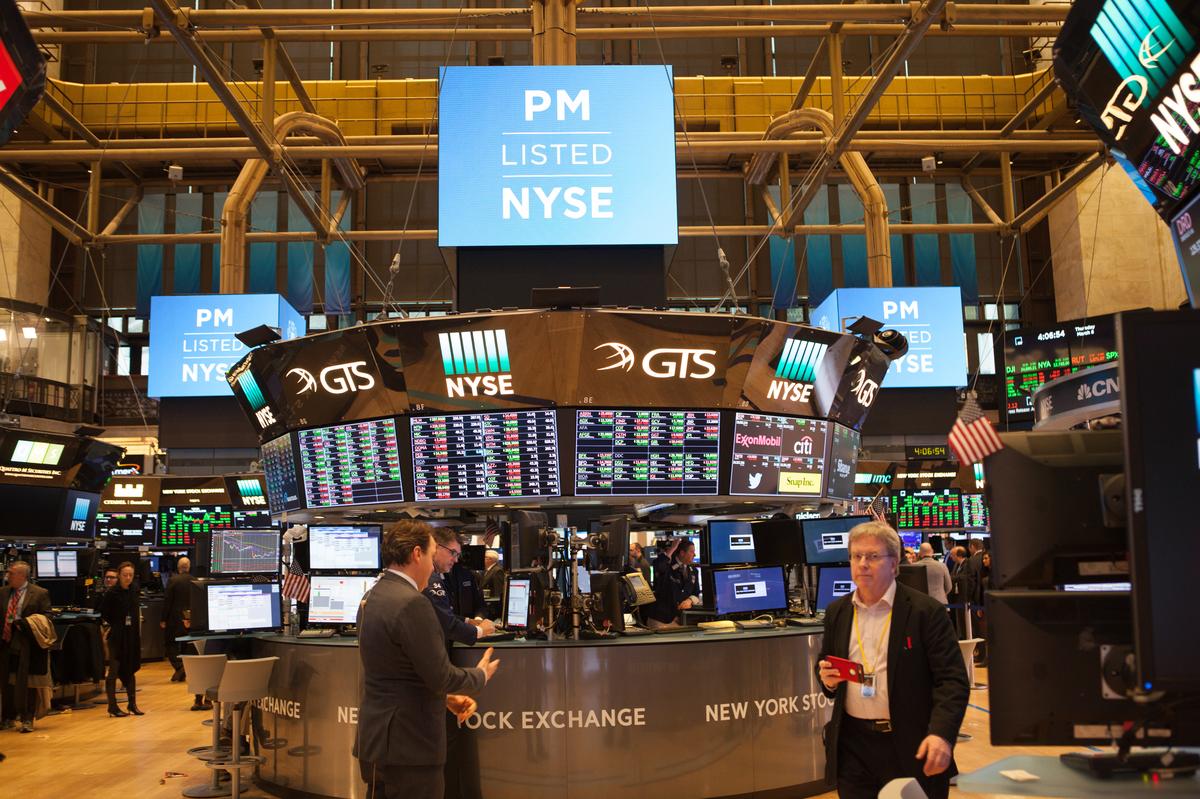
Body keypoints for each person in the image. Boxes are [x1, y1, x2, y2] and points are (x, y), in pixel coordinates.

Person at [816, 521, 969, 799]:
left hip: (911, 744)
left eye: (873, 556)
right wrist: (827, 680)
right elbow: (825, 663)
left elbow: (952, 681)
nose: (862, 564)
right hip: (853, 746)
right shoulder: (838, 611)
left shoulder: (926, 612)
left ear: (894, 563)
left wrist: (941, 734)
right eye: (856, 556)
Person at [355, 521, 500, 799]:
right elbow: (440, 675)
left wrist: (445, 698)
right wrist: (479, 676)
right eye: (432, 555)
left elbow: (397, 671)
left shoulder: (370, 597)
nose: (434, 567)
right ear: (417, 554)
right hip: (410, 745)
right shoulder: (413, 603)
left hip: (375, 741)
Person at [1, 561, 51, 733]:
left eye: (11, 573)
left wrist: (26, 623)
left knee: (28, 683)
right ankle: (7, 717)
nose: (8, 576)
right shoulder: (3, 592)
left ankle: (27, 718)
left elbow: (47, 617)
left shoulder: (39, 593)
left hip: (27, 644)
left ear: (22, 575)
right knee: (6, 682)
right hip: (5, 642)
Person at [98, 562, 143, 717]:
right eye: (125, 575)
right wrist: (115, 624)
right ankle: (112, 706)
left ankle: (132, 704)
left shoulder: (134, 590)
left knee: (131, 668)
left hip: (131, 635)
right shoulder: (112, 593)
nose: (128, 578)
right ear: (119, 575)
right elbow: (105, 613)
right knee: (114, 670)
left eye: (130, 575)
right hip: (117, 636)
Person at [644, 538, 701, 629]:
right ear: (682, 553)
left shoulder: (693, 571)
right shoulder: (667, 566)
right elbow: (658, 565)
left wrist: (690, 600)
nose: (694, 555)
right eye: (691, 552)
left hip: (681, 619)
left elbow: (696, 592)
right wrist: (672, 548)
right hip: (660, 619)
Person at [160, 556, 196, 682]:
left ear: (178, 567)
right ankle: (183, 668)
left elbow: (167, 601)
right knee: (187, 644)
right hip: (190, 618)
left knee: (170, 644)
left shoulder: (173, 580)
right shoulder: (194, 580)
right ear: (189, 567)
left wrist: (163, 619)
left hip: (174, 619)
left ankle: (179, 667)